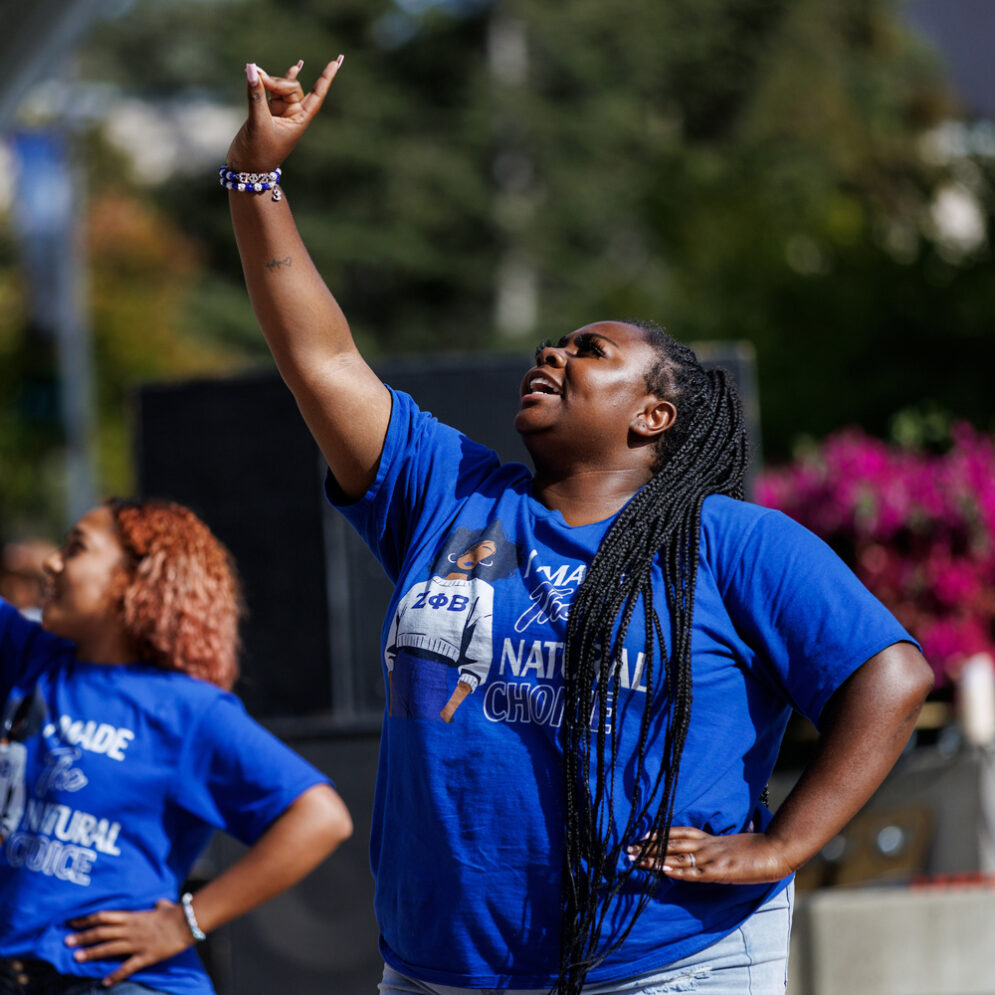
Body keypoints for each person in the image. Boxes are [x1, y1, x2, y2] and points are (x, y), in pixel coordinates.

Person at [223, 58, 934, 994]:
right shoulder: (445, 493)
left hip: (666, 960)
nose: (552, 352)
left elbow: (891, 675)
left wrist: (782, 842)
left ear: (652, 417)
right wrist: (255, 178)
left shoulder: (731, 543)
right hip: (440, 967)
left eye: (589, 351)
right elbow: (319, 358)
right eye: (553, 342)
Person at [0, 499, 353, 995]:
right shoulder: (31, 658)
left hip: (117, 982)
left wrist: (184, 922)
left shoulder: (189, 711)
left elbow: (321, 817)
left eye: (75, 549)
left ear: (136, 579)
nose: (52, 563)